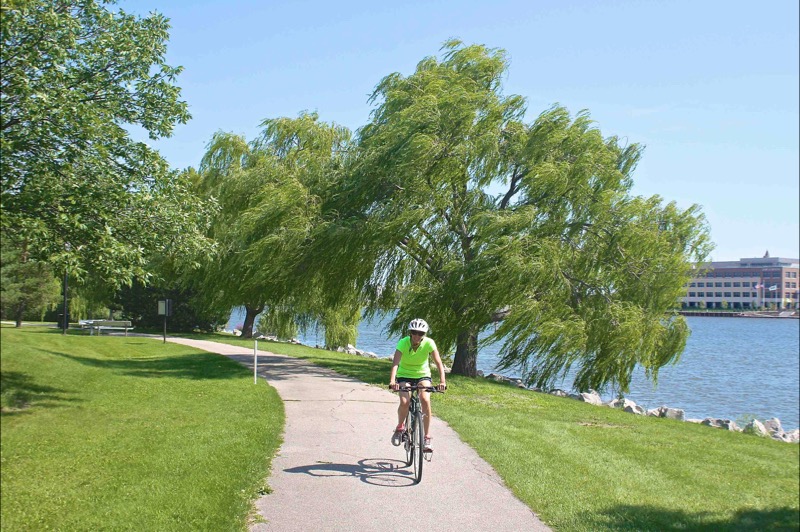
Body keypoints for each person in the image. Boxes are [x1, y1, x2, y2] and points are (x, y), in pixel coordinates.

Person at [389, 318, 447, 453]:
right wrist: (393, 381)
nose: (416, 336)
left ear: (424, 335)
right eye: (414, 332)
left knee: (425, 399)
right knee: (404, 401)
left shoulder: (429, 343)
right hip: (404, 375)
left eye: (420, 333)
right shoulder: (403, 343)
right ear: (410, 333)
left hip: (423, 375)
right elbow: (396, 363)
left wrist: (442, 382)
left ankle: (426, 437)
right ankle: (399, 428)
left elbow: (438, 363)